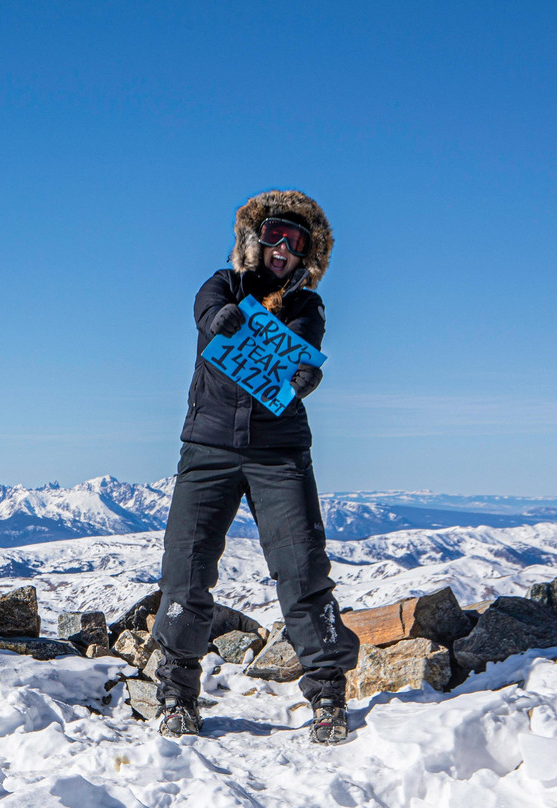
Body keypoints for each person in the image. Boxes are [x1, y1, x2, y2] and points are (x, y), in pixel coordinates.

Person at [152, 189, 359, 744]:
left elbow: (306, 349)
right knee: (186, 570)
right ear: (254, 240)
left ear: (308, 256)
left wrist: (307, 376)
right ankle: (175, 694)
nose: (282, 248)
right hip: (209, 447)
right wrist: (220, 318)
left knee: (303, 570)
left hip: (280, 452)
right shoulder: (223, 286)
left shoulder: (307, 307)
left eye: (296, 241)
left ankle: (327, 696)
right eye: (273, 235)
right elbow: (205, 310)